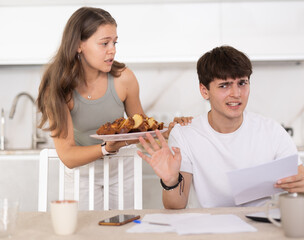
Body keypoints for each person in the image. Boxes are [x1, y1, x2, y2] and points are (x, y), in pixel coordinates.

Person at [37, 7, 191, 210]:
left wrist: (170, 130)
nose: (113, 50)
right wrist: (105, 149)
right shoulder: (58, 87)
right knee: (87, 231)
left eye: (114, 42)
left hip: (121, 168)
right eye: (104, 43)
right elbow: (67, 155)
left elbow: (142, 130)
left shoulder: (124, 79)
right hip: (82, 172)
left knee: (124, 228)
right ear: (78, 45)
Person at [138, 46, 304, 209]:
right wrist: (170, 182)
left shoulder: (272, 131)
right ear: (205, 90)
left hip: (262, 226)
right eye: (224, 85)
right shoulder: (185, 134)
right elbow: (175, 205)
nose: (236, 94)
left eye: (242, 83)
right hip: (207, 229)